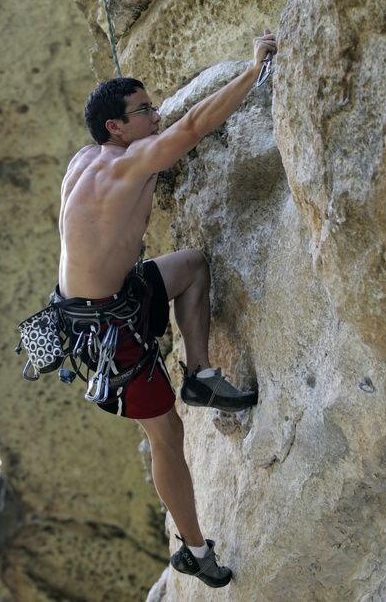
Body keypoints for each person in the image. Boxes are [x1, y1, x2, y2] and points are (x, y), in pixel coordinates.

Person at [57, 30, 277, 587]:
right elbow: (195, 127)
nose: (155, 115)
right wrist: (253, 71)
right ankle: (195, 550)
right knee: (167, 439)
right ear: (116, 127)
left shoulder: (86, 159)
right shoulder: (123, 166)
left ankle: (200, 374)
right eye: (144, 110)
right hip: (106, 330)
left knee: (193, 265)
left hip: (113, 296)